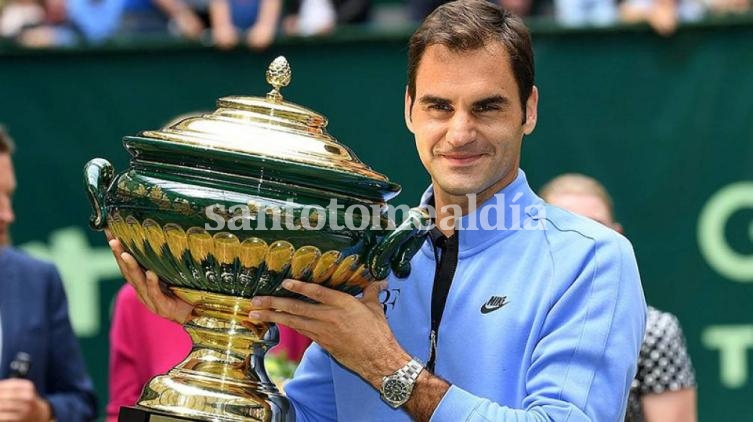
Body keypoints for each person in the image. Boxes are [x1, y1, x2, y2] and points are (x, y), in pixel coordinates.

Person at [109, 1, 647, 420]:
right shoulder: (364, 253)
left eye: (487, 107)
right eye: (440, 106)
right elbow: (309, 417)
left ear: (528, 110)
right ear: (410, 109)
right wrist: (220, 330)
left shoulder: (592, 260)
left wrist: (388, 367)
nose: (460, 132)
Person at [539, 173, 697, 422]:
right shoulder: (504, 322)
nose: (583, 241)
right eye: (564, 226)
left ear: (618, 236)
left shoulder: (653, 331)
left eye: (596, 227)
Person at [0, 126, 98, 421]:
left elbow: (80, 403)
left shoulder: (38, 279)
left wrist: (42, 412)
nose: (7, 214)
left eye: (8, 195)